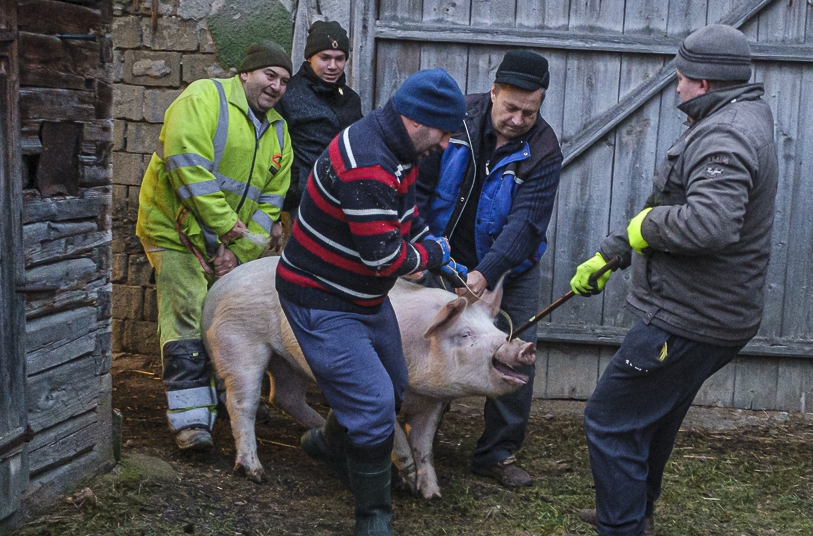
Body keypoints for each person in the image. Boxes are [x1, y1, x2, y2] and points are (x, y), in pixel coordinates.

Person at [570, 24, 778, 536]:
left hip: (689, 318)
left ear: (703, 82)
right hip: (711, 312)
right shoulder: (734, 116)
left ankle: (622, 526)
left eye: (680, 78)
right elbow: (675, 202)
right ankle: (632, 510)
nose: (676, 87)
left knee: (610, 419)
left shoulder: (726, 134)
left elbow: (710, 224)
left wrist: (643, 228)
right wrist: (615, 251)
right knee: (651, 418)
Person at [274, 68, 464, 536]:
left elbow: (406, 217)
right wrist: (435, 253)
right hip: (320, 297)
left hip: (358, 295)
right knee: (376, 405)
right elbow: (385, 258)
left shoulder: (400, 151)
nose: (444, 143)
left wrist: (436, 252)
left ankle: (329, 442)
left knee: (395, 384)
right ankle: (373, 519)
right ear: (418, 120)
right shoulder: (369, 163)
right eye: (443, 132)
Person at [135, 40, 294, 451]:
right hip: (173, 231)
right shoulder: (204, 98)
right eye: (269, 75)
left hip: (226, 249)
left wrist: (236, 255)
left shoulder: (278, 132)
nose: (275, 87)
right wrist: (223, 235)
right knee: (187, 313)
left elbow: (271, 202)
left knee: (219, 317)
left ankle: (226, 401)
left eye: (283, 81)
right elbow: (187, 168)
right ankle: (190, 422)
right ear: (245, 73)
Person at [414, 49, 563, 488]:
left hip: (509, 266)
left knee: (515, 351)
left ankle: (497, 452)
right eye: (511, 107)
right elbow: (418, 190)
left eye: (529, 111)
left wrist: (487, 273)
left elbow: (526, 225)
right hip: (439, 256)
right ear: (493, 92)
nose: (518, 119)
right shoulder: (454, 120)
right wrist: (421, 247)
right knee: (427, 345)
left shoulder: (544, 149)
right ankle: (420, 437)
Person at [276, 20, 364, 215]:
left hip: (346, 195)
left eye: (339, 58)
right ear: (309, 58)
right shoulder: (289, 95)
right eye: (324, 58)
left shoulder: (351, 99)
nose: (333, 66)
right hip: (304, 197)